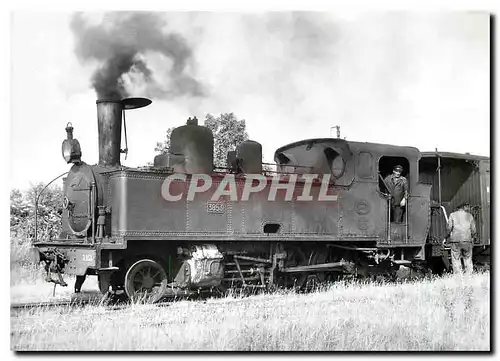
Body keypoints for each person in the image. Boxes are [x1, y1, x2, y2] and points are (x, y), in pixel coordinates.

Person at [446, 202, 476, 274]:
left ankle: (458, 277)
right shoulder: (469, 216)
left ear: (458, 208)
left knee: (456, 259)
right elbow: (473, 230)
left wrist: (446, 236)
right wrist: (472, 237)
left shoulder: (452, 215)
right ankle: (469, 276)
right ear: (464, 207)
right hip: (467, 240)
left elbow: (449, 228)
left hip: (455, 241)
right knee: (468, 259)